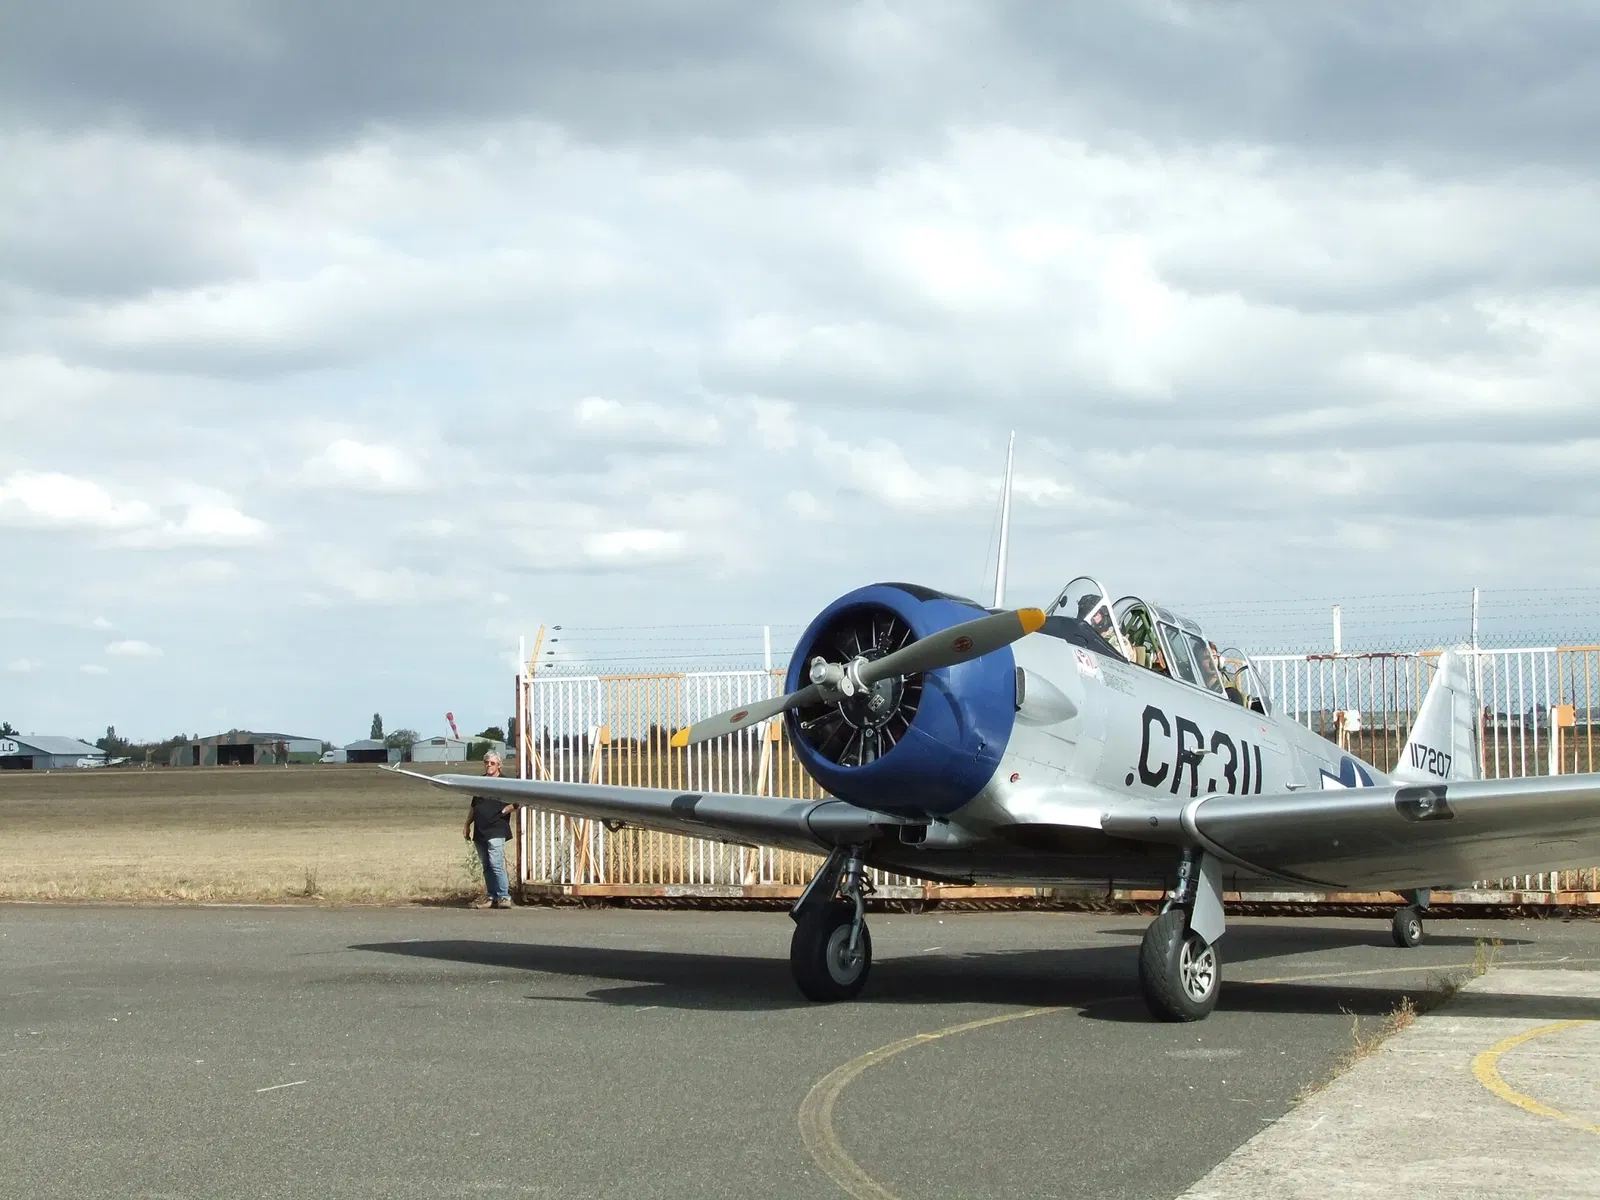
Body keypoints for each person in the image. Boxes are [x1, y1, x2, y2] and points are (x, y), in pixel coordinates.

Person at [463, 752, 514, 909]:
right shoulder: (480, 781)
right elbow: (474, 806)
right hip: (480, 828)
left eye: (492, 763)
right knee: (486, 865)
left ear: (499, 765)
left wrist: (506, 810)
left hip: (496, 827)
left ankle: (504, 896)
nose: (489, 765)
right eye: (486, 762)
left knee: (495, 863)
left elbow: (518, 802)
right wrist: (467, 824)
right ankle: (492, 897)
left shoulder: (506, 782)